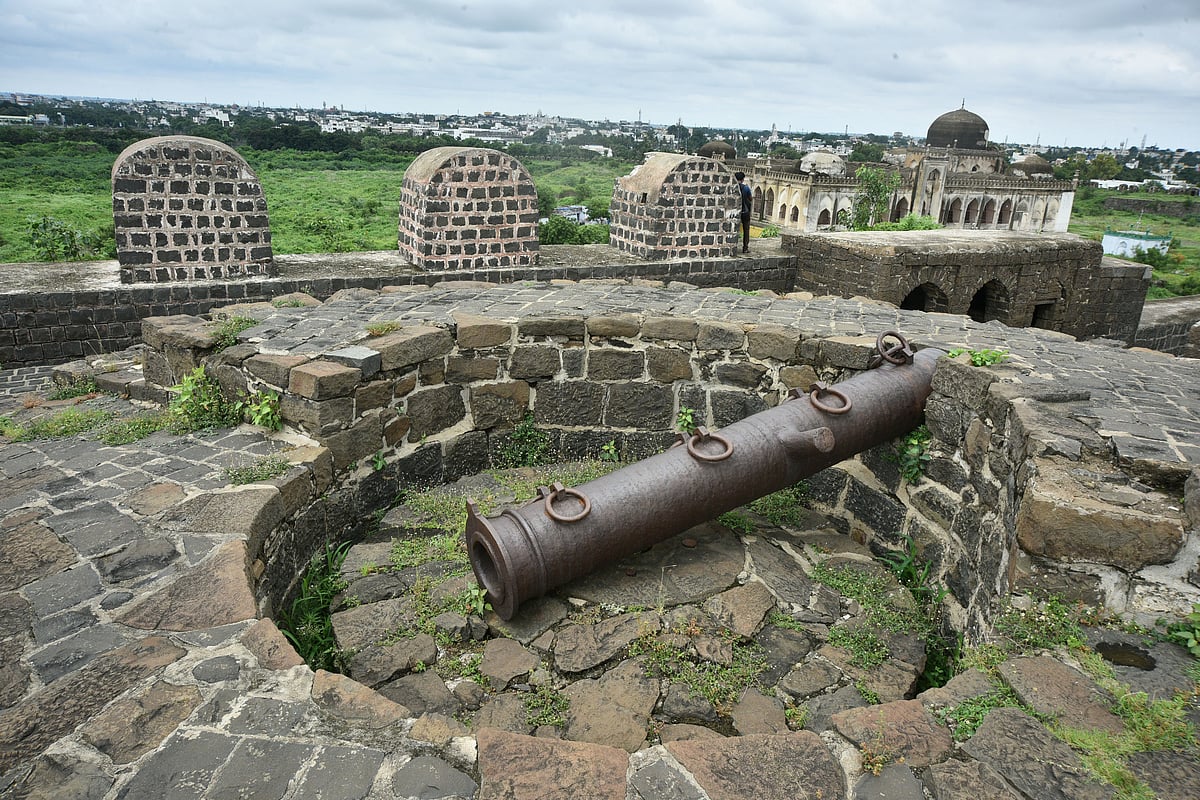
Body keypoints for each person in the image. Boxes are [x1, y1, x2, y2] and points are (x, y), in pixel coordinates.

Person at [734, 172, 752, 253]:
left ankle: (732, 247)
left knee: (734, 230)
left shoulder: (733, 187)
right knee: (746, 230)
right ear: (743, 179)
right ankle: (745, 248)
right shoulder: (746, 188)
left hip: (734, 212)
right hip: (745, 212)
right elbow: (750, 198)